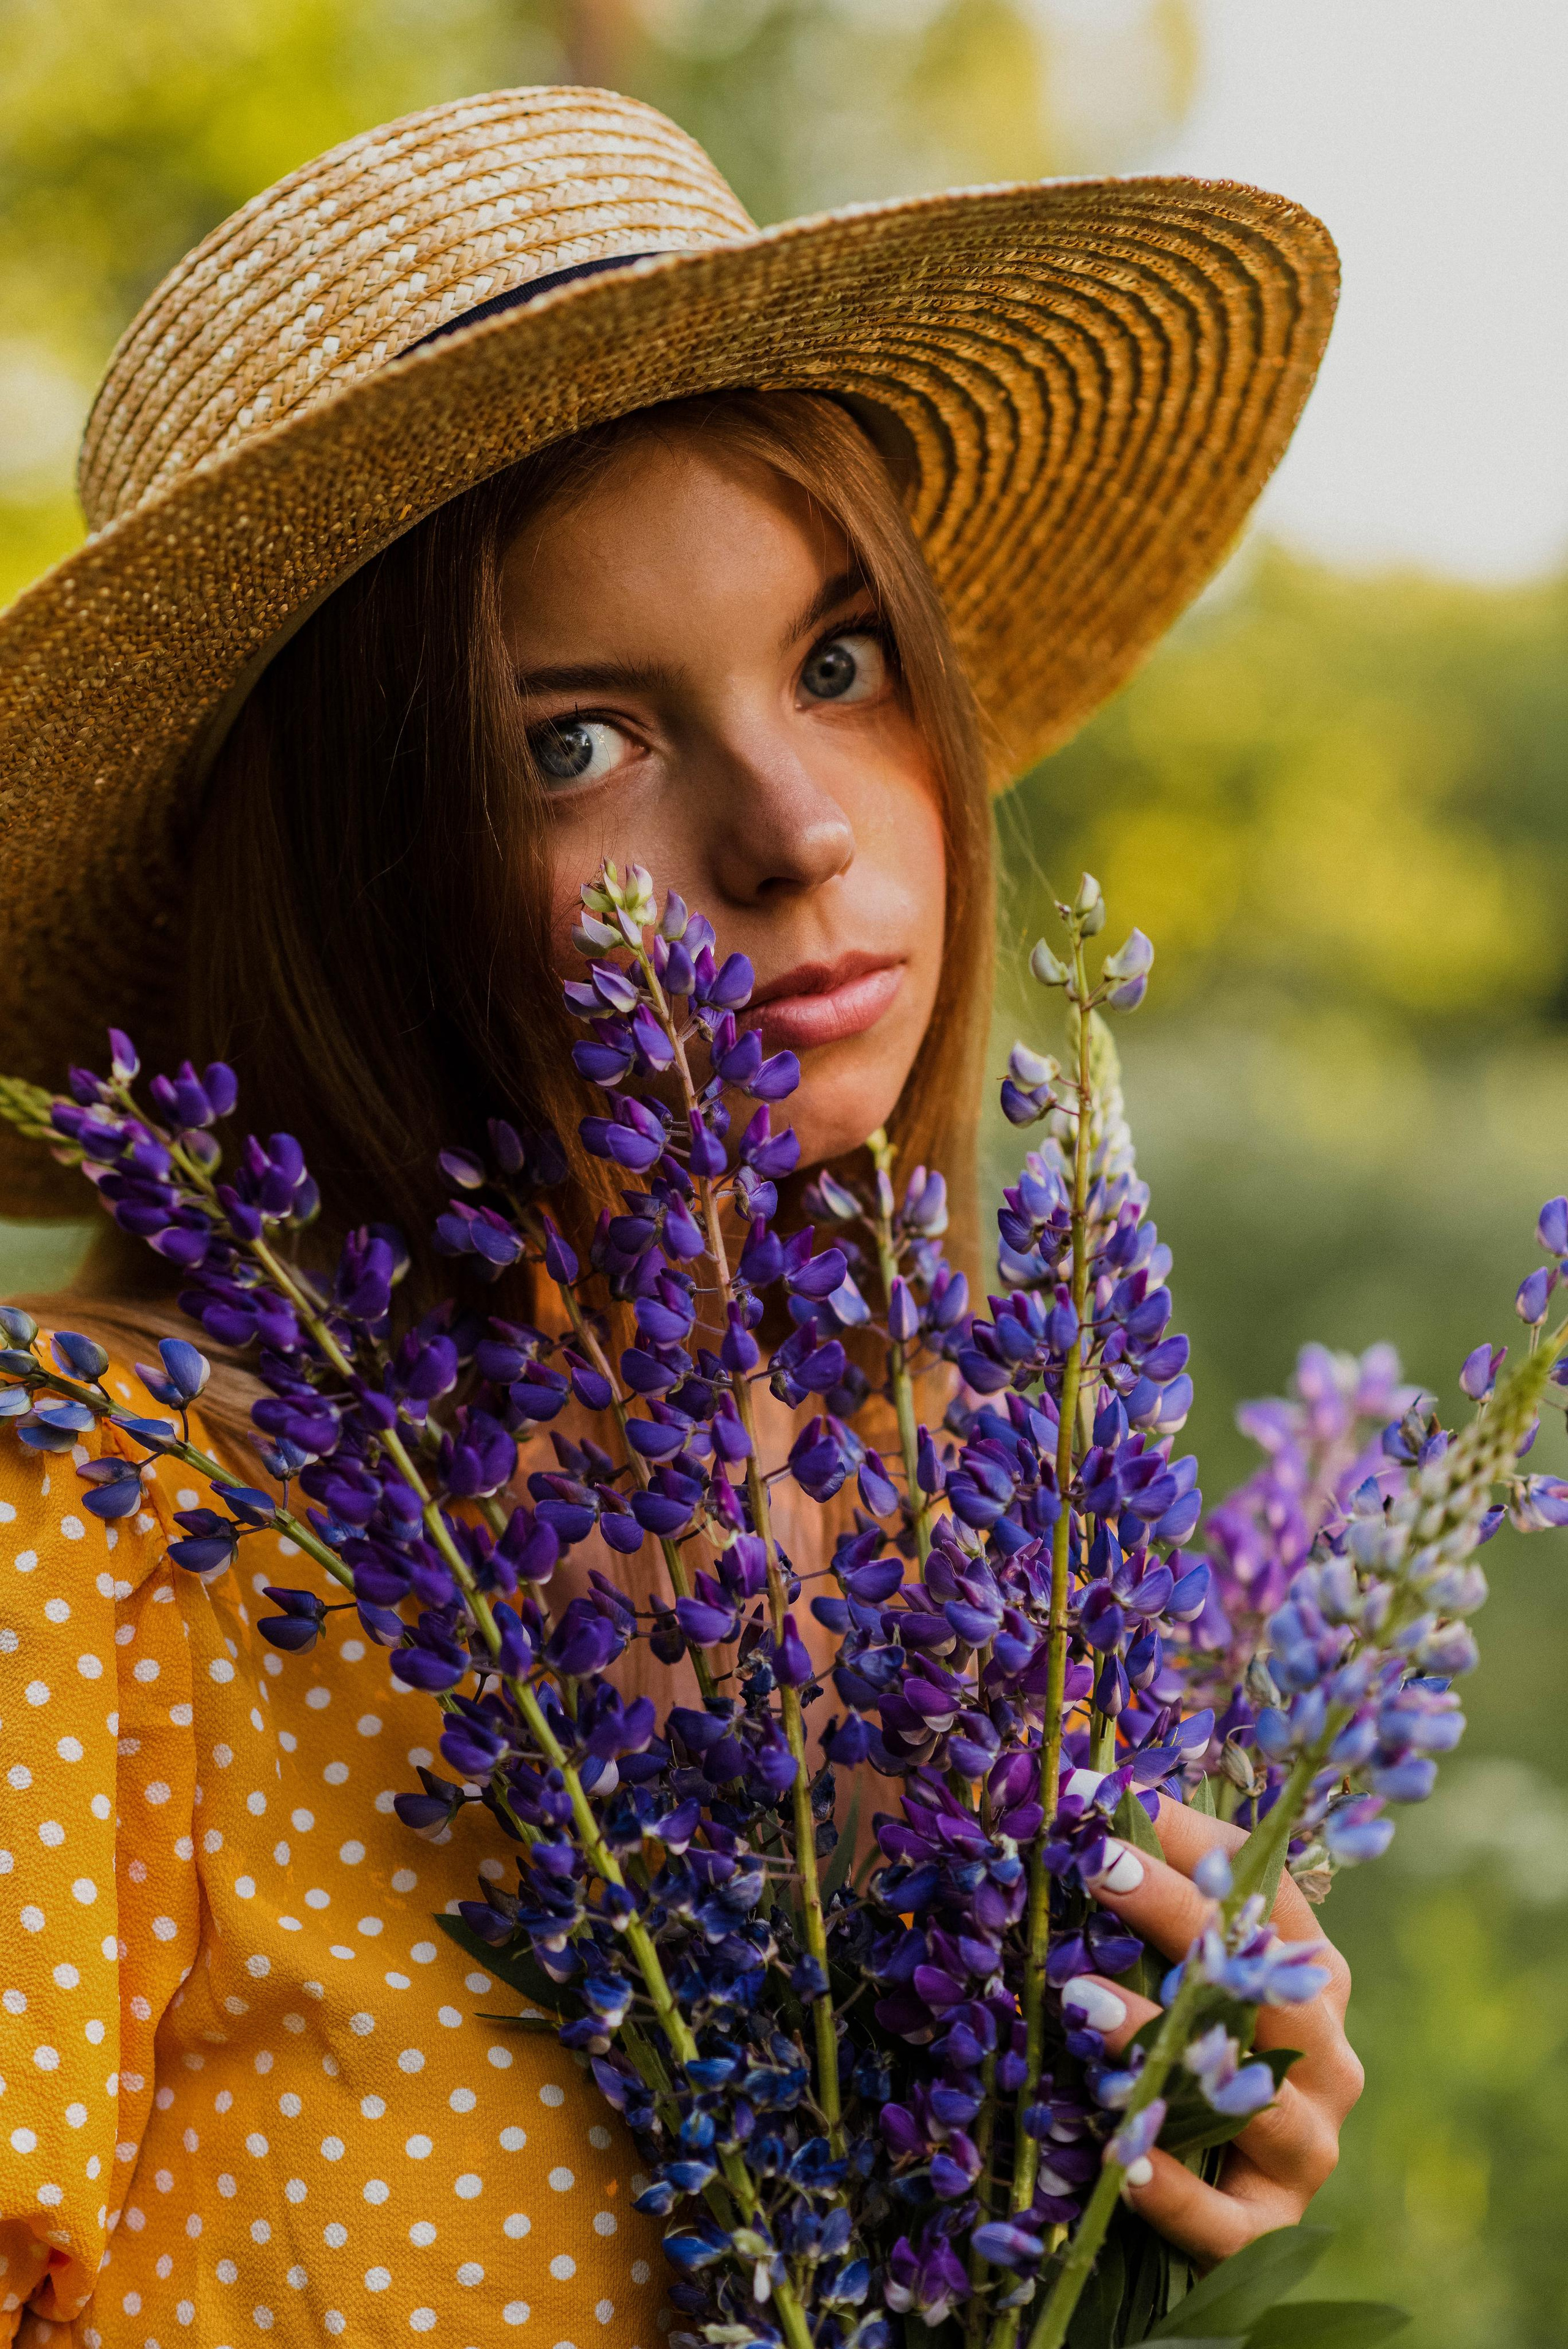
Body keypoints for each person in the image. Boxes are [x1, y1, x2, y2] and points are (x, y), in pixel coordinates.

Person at [0, 86, 1362, 2348]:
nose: (794, 827)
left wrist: (1160, 2168)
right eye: (577, 741)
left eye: (839, 660)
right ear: (347, 879)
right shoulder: (98, 1516)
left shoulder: (962, 1517)